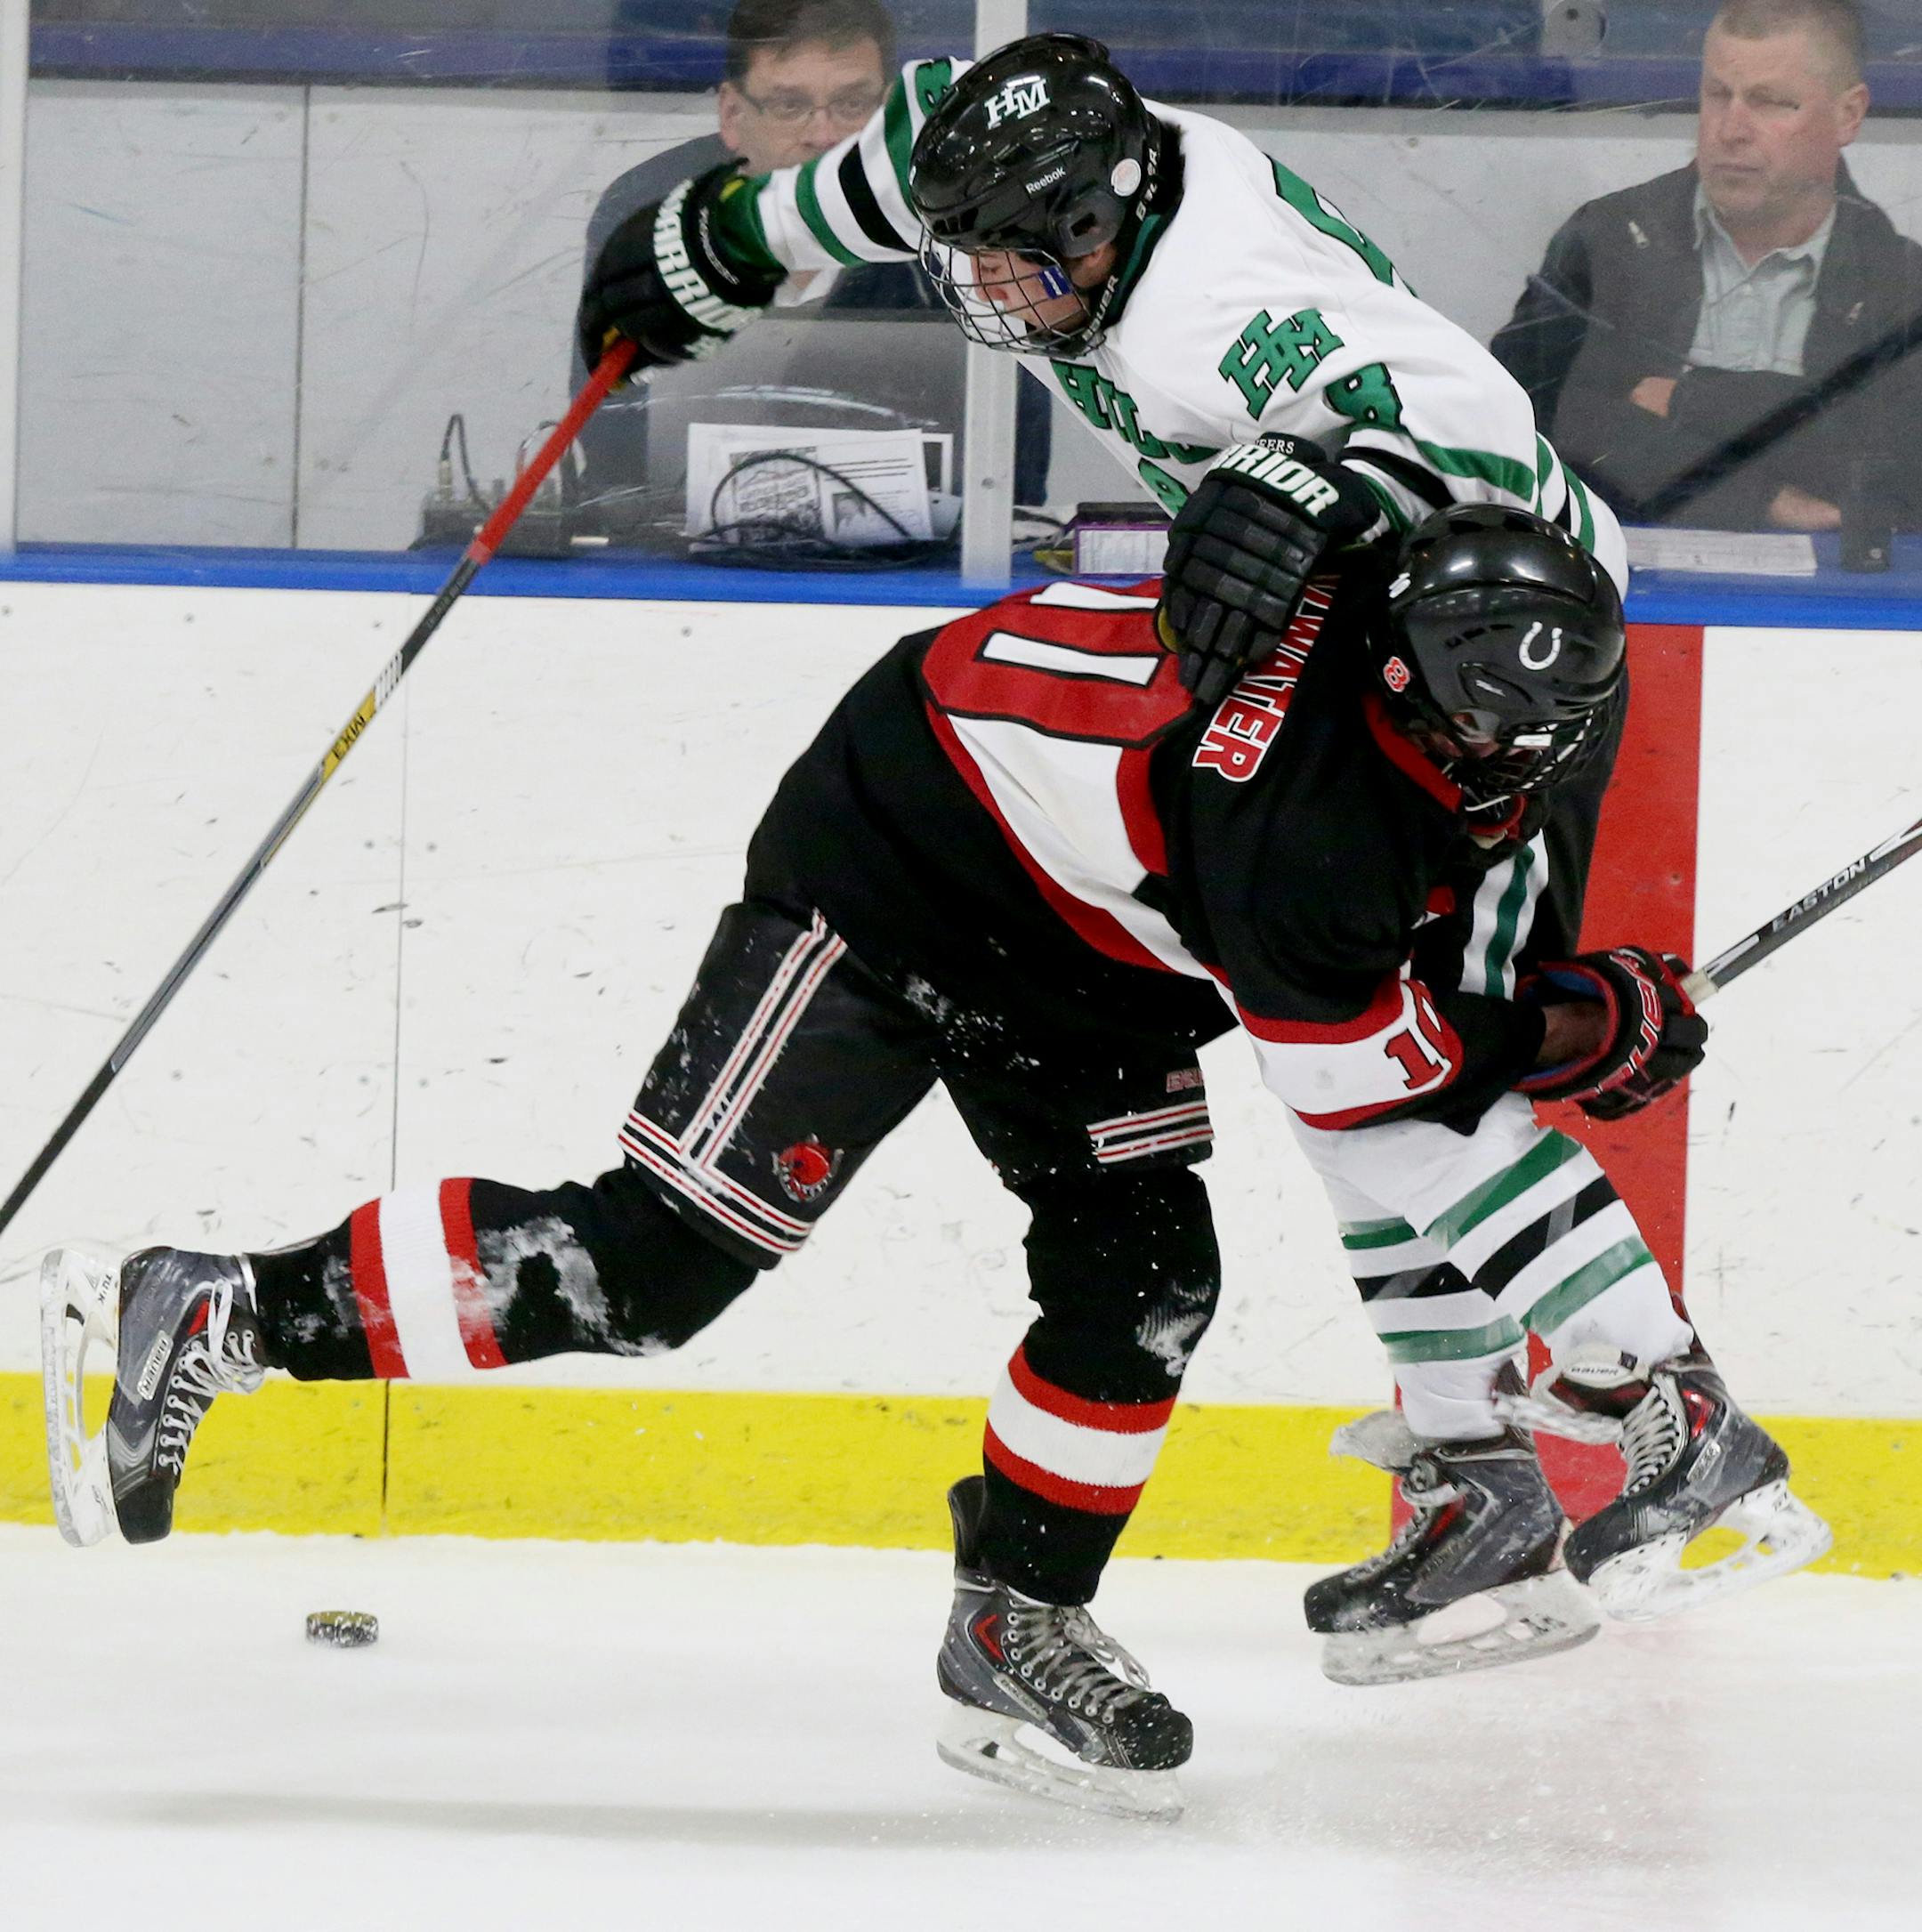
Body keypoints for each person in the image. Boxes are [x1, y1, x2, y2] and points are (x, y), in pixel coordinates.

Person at [44, 509, 1828, 1825]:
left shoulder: (1416, 605)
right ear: (1386, 674)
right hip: (898, 858)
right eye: (1458, 736)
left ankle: (1017, 1620)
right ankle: (224, 1307)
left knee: (1149, 1277)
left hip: (1098, 937)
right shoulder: (1295, 824)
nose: (1495, 767)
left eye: (1527, 736)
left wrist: (1557, 1001)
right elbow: (1385, 1080)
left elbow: (1413, 962)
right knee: (654, 1266)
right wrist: (1573, 1026)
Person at [573, 29, 1625, 712]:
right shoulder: (1037, 184)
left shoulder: (1213, 303)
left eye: (1001, 263)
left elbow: (1480, 418)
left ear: (1091, 230)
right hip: (1336, 625)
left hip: (1517, 636)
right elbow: (898, 162)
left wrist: (1322, 492)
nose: (974, 284)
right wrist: (734, 240)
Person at [575, 0, 1051, 529]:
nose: (824, 135)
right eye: (789, 105)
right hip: (678, 560)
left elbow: (1014, 476)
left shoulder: (967, 222)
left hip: (914, 569)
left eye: (852, 104)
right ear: (733, 116)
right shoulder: (653, 215)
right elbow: (610, 457)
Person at [1491, 0, 1922, 534]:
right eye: (1718, 94)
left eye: (1770, 103)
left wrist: (1685, 397)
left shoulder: (1902, 286)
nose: (1730, 129)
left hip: (1841, 607)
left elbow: (1898, 478)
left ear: (1848, 116)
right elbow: (1518, 431)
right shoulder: (1606, 242)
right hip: (1620, 585)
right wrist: (1759, 498)